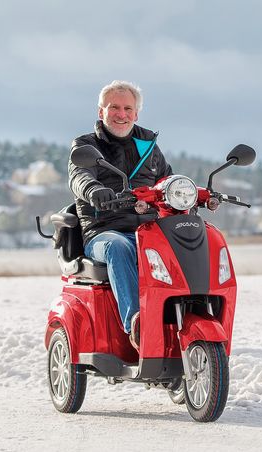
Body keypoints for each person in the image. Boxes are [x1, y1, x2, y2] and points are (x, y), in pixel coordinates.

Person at [68, 80, 173, 349]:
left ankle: (183, 316)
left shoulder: (148, 145)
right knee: (120, 246)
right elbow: (79, 176)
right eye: (114, 107)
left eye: (128, 108)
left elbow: (167, 180)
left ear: (136, 113)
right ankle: (136, 323)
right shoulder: (86, 146)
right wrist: (94, 190)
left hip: (148, 230)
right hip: (105, 230)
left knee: (184, 242)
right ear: (101, 110)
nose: (121, 114)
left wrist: (187, 193)